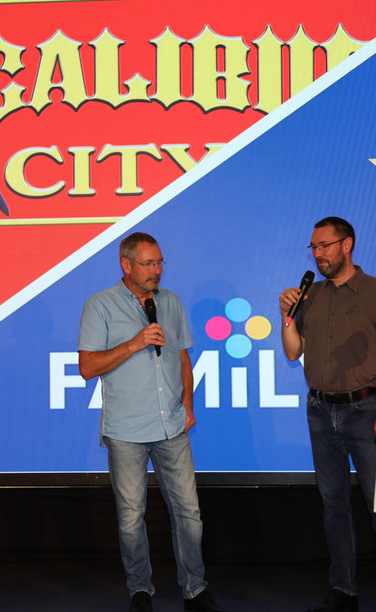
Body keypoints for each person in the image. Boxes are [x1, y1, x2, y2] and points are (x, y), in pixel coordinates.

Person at [78, 232, 225, 612]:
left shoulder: (170, 302)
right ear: (126, 265)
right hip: (126, 430)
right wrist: (134, 343)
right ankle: (140, 590)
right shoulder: (100, 305)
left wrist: (187, 404)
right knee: (131, 517)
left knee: (189, 513)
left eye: (160, 262)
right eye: (148, 263)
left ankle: (195, 589)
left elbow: (183, 358)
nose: (156, 270)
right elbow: (87, 367)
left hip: (172, 426)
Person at [279, 217, 376, 612]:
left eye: (324, 246)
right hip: (320, 411)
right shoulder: (310, 295)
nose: (318, 254)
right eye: (313, 248)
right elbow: (293, 350)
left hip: (365, 409)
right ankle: (343, 588)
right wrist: (285, 315)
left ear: (347, 244)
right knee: (334, 505)